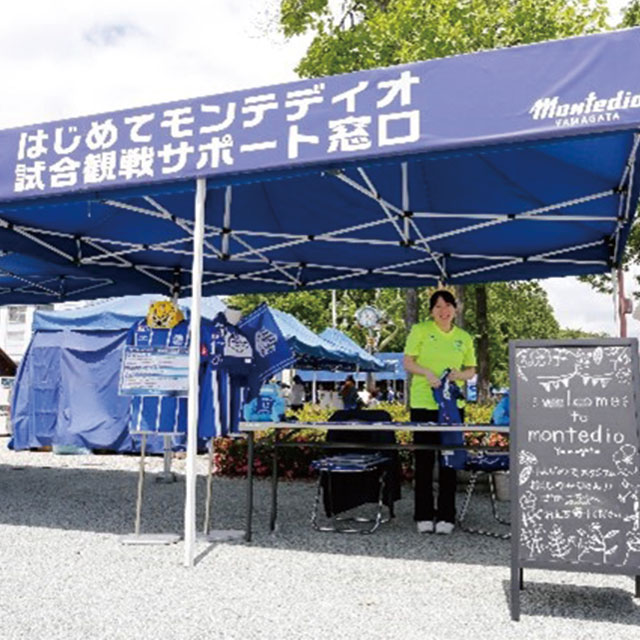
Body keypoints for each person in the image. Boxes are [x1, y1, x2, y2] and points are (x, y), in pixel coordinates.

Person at [403, 289, 477, 535]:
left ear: (456, 309)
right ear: (431, 311)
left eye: (448, 306)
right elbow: (408, 362)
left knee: (449, 461)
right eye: (438, 307)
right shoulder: (420, 330)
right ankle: (423, 514)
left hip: (452, 408)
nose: (443, 311)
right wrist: (427, 373)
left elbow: (471, 370)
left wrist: (458, 375)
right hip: (423, 405)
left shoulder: (464, 337)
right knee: (424, 461)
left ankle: (447, 515)